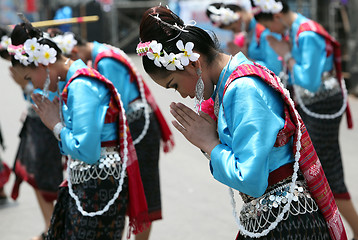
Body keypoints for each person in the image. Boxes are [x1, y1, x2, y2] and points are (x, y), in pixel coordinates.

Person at [137, 5, 348, 240]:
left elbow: (251, 180)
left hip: (288, 225)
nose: (182, 95)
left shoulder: (242, 88)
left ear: (192, 64)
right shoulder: (229, 86)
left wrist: (210, 144)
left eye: (174, 85)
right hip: (278, 219)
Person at [9, 22, 150, 239]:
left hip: (97, 185)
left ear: (41, 65)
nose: (33, 85)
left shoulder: (81, 85)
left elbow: (86, 150)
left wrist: (55, 125)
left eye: (29, 78)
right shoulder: (75, 80)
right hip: (96, 181)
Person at [50, 31, 175, 240]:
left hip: (137, 128)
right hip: (130, 126)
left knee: (143, 191)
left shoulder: (105, 60)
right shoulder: (100, 52)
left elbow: (116, 103)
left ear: (73, 51)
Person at [251, 1, 358, 239]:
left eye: (269, 26)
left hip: (321, 105)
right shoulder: (298, 29)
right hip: (313, 104)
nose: (271, 33)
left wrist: (286, 54)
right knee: (318, 169)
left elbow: (309, 81)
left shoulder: (307, 34)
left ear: (277, 16)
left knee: (325, 170)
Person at [1, 26, 63, 239]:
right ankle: (50, 226)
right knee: (37, 178)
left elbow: (46, 93)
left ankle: (52, 227)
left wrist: (25, 87)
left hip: (48, 124)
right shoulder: (32, 61)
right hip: (39, 122)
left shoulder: (44, 63)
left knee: (43, 179)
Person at [206, 3, 282, 75]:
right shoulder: (249, 33)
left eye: (234, 28)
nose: (236, 32)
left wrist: (243, 58)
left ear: (239, 17)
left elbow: (274, 70)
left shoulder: (264, 30)